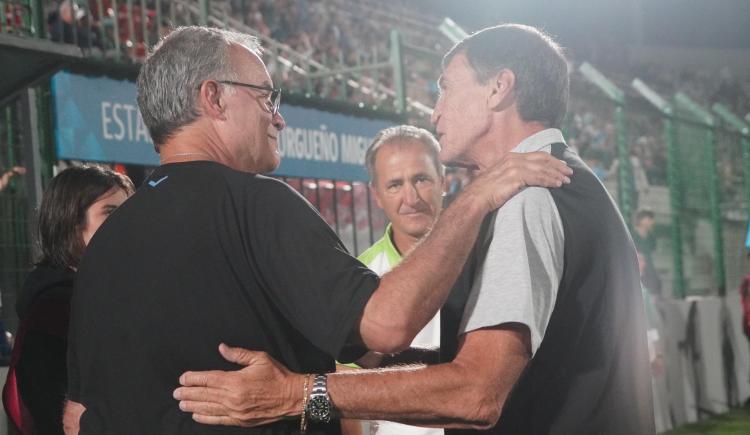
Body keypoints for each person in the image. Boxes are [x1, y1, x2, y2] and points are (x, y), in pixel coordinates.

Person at [63, 26, 571, 435]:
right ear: (213, 98)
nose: (278, 118)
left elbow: (78, 416)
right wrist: (476, 197)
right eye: (266, 97)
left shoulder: (104, 243)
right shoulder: (253, 204)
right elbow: (386, 326)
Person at [174, 24, 654, 435]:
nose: (435, 111)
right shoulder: (573, 183)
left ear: (499, 88)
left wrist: (296, 394)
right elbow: (524, 367)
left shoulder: (527, 198)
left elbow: (477, 394)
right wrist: (377, 362)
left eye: (445, 87)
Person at [1, 165, 133, 435]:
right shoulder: (55, 310)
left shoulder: (100, 295)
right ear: (71, 226)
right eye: (111, 213)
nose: (128, 223)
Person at [346, 125, 446, 435]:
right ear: (376, 195)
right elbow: (342, 392)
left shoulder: (487, 258)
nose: (411, 197)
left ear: (444, 182)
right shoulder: (358, 277)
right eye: (394, 185)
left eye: (421, 179)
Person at [633, 208, 662, 295]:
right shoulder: (632, 235)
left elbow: (653, 249)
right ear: (641, 220)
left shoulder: (651, 236)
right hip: (636, 268)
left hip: (649, 267)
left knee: (656, 284)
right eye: (649, 219)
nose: (651, 222)